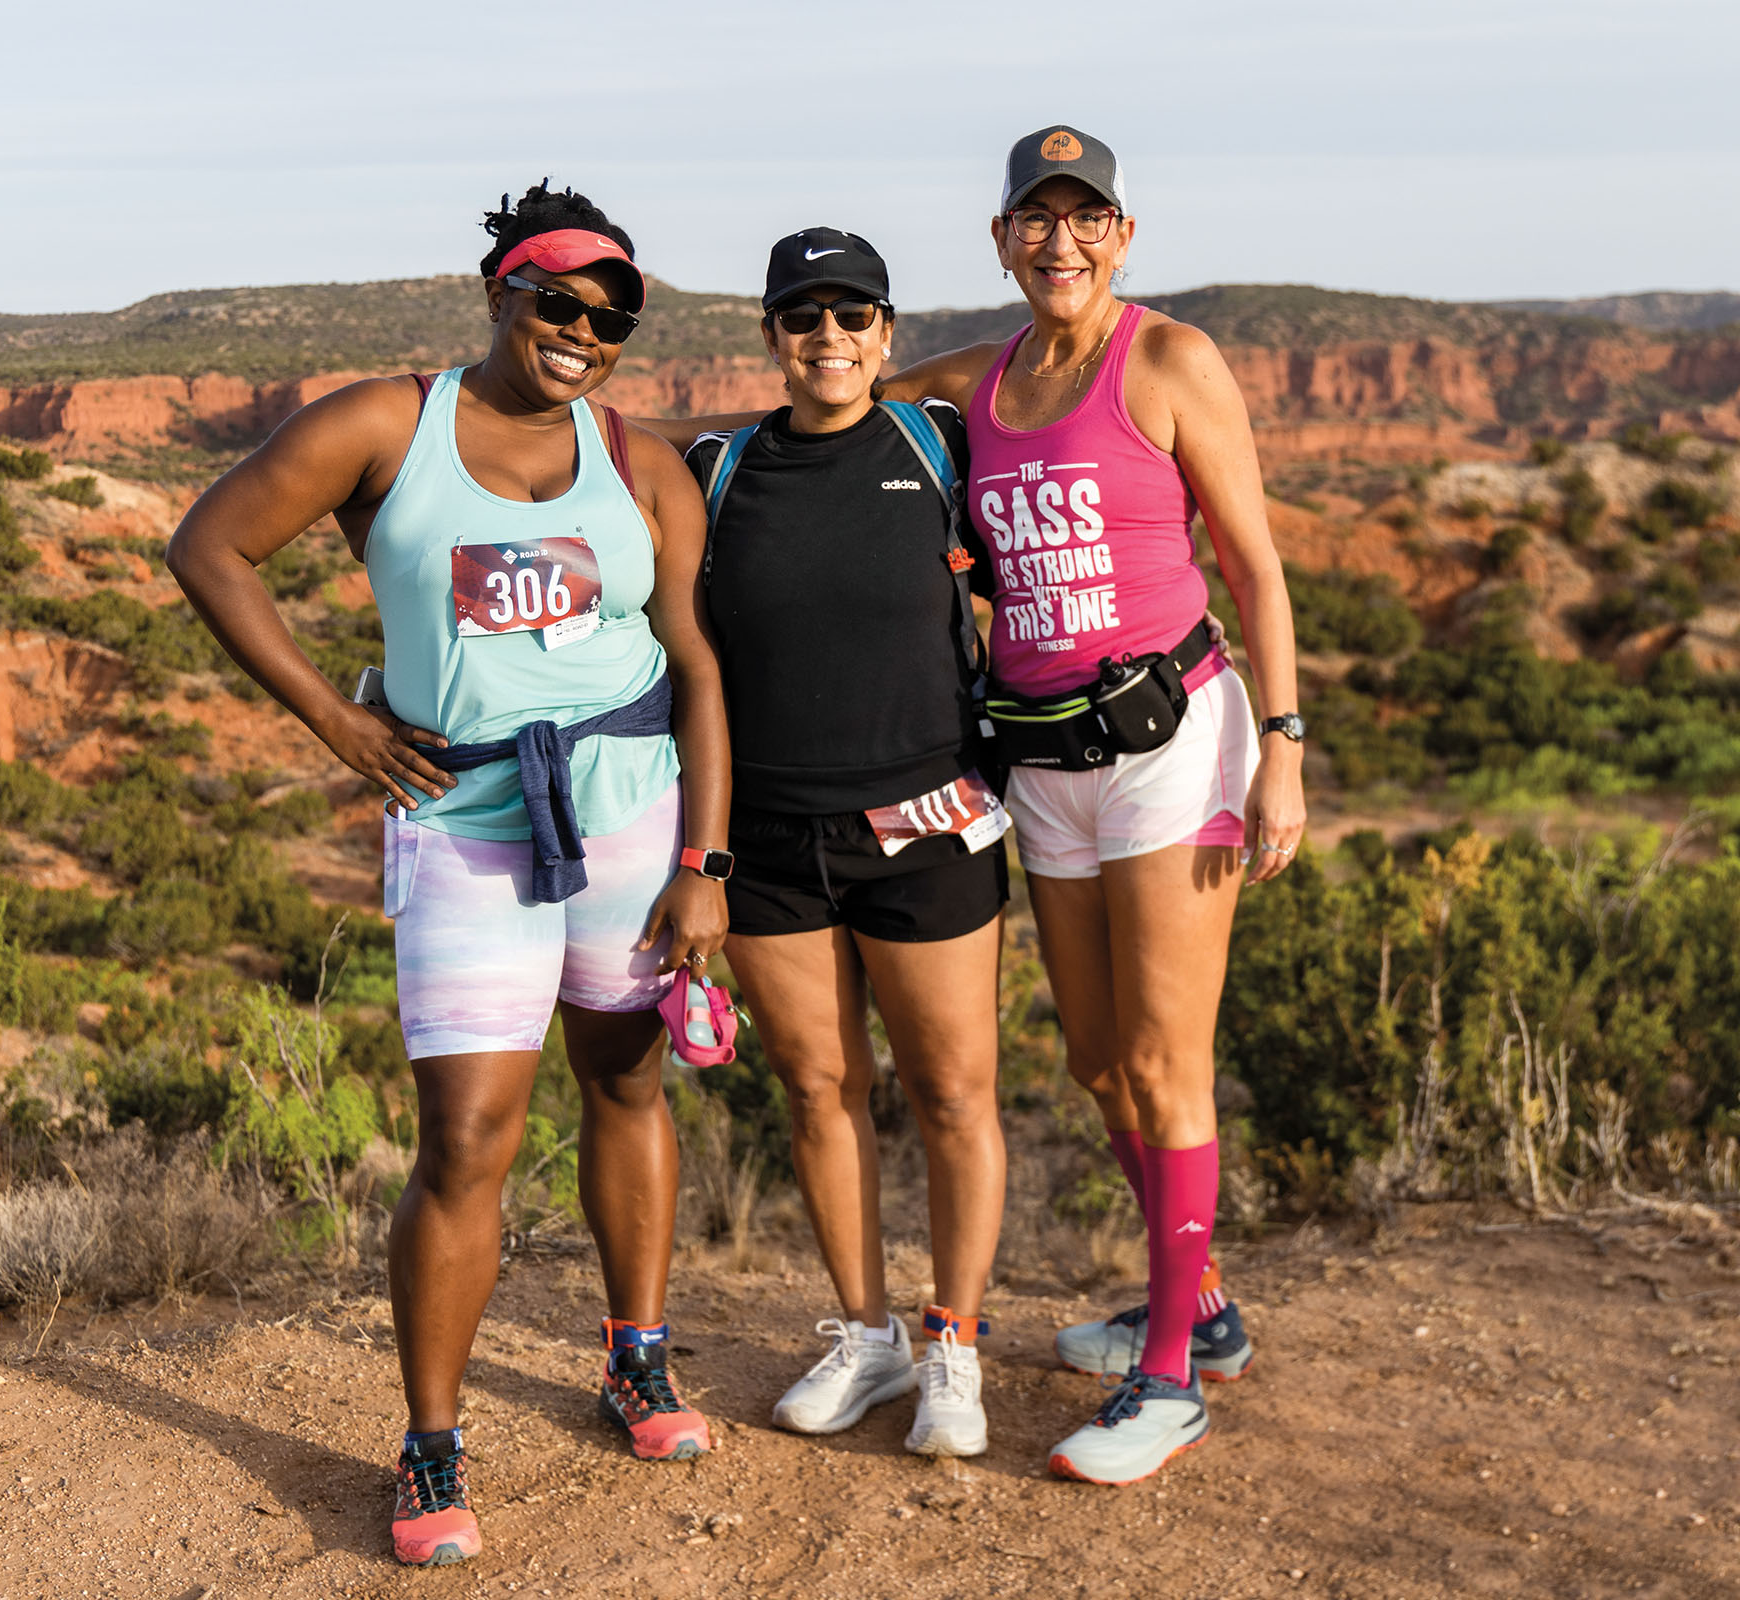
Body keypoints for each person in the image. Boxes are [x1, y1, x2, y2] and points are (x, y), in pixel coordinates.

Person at [165, 181, 733, 1567]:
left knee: (622, 1081)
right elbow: (210, 546)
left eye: (613, 317)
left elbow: (700, 664)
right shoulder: (385, 426)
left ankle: (636, 1358)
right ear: (500, 291)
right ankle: (428, 1446)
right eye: (559, 302)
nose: (583, 331)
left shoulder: (638, 460)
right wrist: (339, 722)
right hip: (468, 820)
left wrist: (707, 861)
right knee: (467, 1139)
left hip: (629, 813)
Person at [877, 125, 1307, 1485]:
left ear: (1122, 233)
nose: (1060, 243)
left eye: (1087, 219)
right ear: (1002, 237)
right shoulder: (976, 383)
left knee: (1169, 1065)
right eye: (1034, 221)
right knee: (1099, 1063)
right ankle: (1209, 1307)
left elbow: (1253, 560)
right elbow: (850, 401)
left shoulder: (1171, 362)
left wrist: (1284, 746)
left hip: (1172, 743)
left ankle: (1173, 1378)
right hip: (1044, 760)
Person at [643, 228, 1010, 1456]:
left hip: (930, 824)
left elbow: (1046, 401)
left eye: (854, 317)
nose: (829, 339)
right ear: (769, 337)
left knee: (955, 1091)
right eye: (803, 318)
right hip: (769, 837)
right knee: (817, 1089)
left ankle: (952, 1338)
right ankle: (869, 1336)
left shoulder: (934, 441)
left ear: (887, 335)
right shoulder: (718, 466)